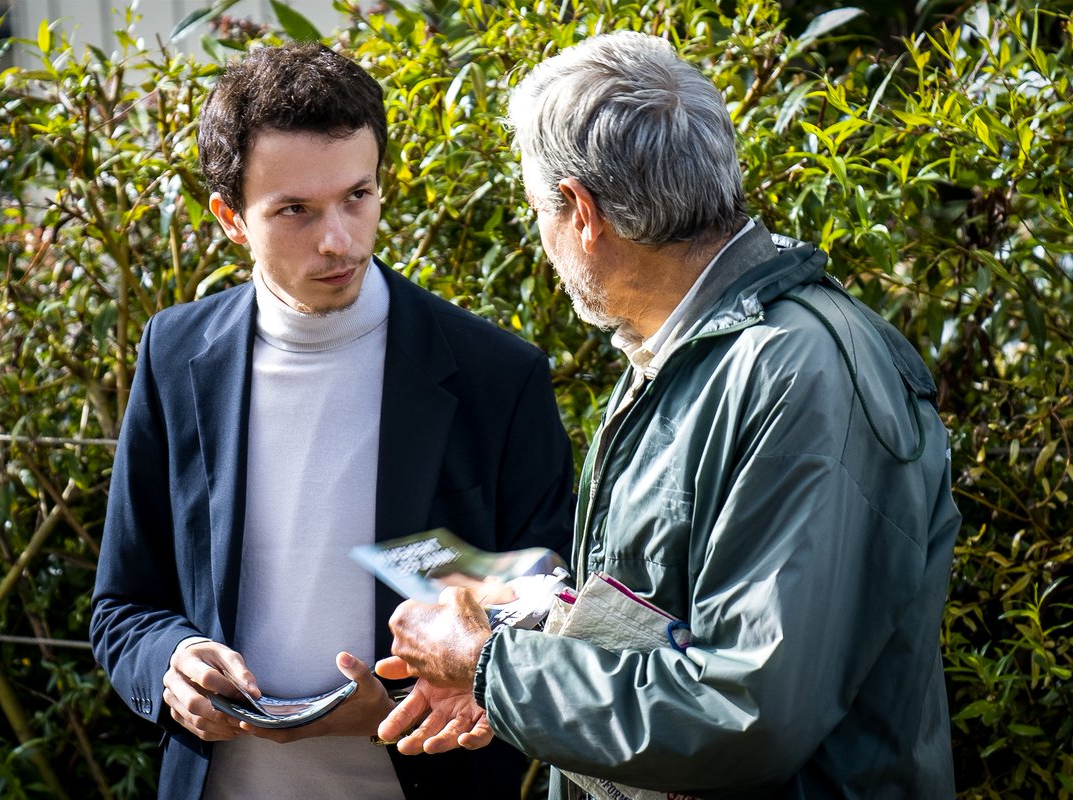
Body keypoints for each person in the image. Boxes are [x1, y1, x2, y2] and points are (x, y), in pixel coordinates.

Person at [376, 30, 961, 799]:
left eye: (536, 212)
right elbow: (669, 618)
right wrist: (539, 629)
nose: (541, 242)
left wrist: (492, 666)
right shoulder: (688, 346)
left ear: (581, 212)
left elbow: (744, 712)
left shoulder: (796, 372)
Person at [88, 42, 574, 800]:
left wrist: (445, 677)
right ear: (229, 219)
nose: (338, 239)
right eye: (295, 211)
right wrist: (170, 664)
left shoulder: (497, 374)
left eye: (358, 196)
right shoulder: (175, 354)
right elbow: (123, 606)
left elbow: (560, 597)